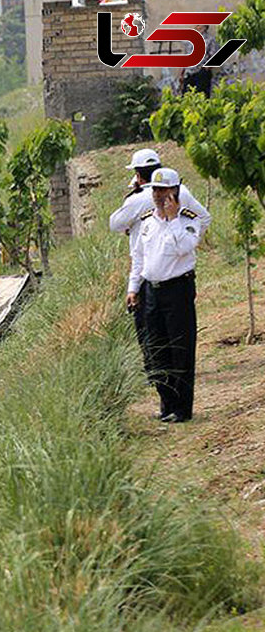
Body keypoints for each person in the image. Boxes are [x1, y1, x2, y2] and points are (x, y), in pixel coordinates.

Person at [109, 148, 208, 390]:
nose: (158, 195)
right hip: (150, 271)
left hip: (166, 277)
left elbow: (114, 223)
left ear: (138, 176)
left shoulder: (138, 200)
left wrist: (184, 238)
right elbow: (204, 218)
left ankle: (163, 381)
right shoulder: (177, 196)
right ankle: (166, 388)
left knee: (156, 335)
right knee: (162, 336)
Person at [130, 168, 203, 423]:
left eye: (163, 190)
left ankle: (182, 409)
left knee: (180, 348)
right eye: (155, 190)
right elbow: (138, 258)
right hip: (151, 290)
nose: (158, 195)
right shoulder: (148, 221)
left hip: (177, 290)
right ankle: (166, 402)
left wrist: (172, 220)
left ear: (175, 191)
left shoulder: (188, 221)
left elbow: (184, 248)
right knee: (156, 350)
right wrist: (133, 287)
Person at [178, 24, 219, 98]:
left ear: (205, 27)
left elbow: (214, 56)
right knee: (186, 96)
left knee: (202, 96)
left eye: (199, 25)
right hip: (189, 72)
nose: (197, 27)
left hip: (201, 72)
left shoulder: (210, 40)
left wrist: (205, 69)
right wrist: (182, 73)